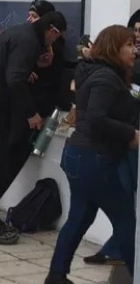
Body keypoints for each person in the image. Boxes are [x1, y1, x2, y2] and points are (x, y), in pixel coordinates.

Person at [46, 25, 139, 284]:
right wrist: (130, 134)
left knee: (80, 217)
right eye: (129, 45)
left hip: (80, 155)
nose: (135, 50)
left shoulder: (96, 72)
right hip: (95, 158)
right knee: (126, 223)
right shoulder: (106, 78)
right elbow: (97, 118)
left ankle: (56, 276)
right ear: (113, 48)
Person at [0, 11, 67, 245]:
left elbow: (7, 65)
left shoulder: (20, 32)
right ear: (51, 30)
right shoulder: (29, 41)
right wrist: (31, 113)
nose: (55, 42)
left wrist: (33, 64)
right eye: (57, 37)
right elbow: (14, 79)